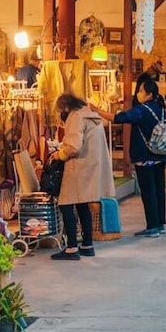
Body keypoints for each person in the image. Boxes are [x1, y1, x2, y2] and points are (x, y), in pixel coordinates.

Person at [94, 79, 166, 238]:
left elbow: (119, 118)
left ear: (149, 94)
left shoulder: (142, 110)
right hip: (160, 155)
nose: (138, 94)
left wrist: (97, 111)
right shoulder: (162, 109)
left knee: (148, 192)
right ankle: (160, 223)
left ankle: (152, 226)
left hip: (145, 157)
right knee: (158, 191)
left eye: (141, 91)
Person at [49, 94, 115, 260]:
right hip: (90, 167)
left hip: (78, 167)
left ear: (65, 107)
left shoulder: (76, 116)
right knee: (82, 204)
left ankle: (71, 248)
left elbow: (73, 146)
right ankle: (87, 245)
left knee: (65, 203)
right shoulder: (90, 114)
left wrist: (59, 155)